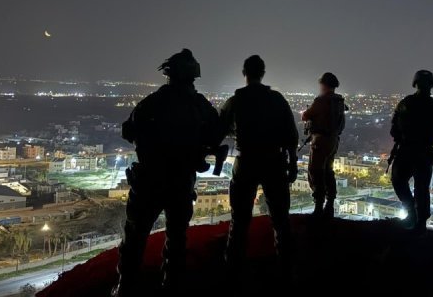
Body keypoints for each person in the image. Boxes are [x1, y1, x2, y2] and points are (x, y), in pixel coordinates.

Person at [113, 50, 222, 296]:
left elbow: (128, 131)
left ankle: (125, 286)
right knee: (177, 239)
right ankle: (172, 284)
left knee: (135, 237)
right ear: (193, 76)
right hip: (180, 182)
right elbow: (215, 135)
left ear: (169, 74)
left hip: (149, 180)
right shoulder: (200, 105)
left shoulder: (153, 102)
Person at [220, 55, 299, 268]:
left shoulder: (235, 101)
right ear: (263, 73)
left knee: (239, 220)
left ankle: (233, 268)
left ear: (244, 73)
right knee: (281, 219)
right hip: (274, 162)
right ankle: (286, 268)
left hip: (246, 162)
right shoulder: (277, 99)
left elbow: (218, 130)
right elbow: (291, 135)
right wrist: (292, 164)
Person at [389, 70, 433, 234]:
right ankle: (415, 217)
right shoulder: (430, 105)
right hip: (414, 151)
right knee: (410, 185)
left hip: (417, 151)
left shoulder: (409, 103)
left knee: (416, 187)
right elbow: (395, 128)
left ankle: (417, 220)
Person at [302, 72, 346, 219]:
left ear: (324, 85)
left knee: (316, 172)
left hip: (320, 141)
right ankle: (329, 205)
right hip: (333, 141)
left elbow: (305, 115)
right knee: (328, 171)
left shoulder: (321, 101)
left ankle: (318, 207)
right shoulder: (339, 101)